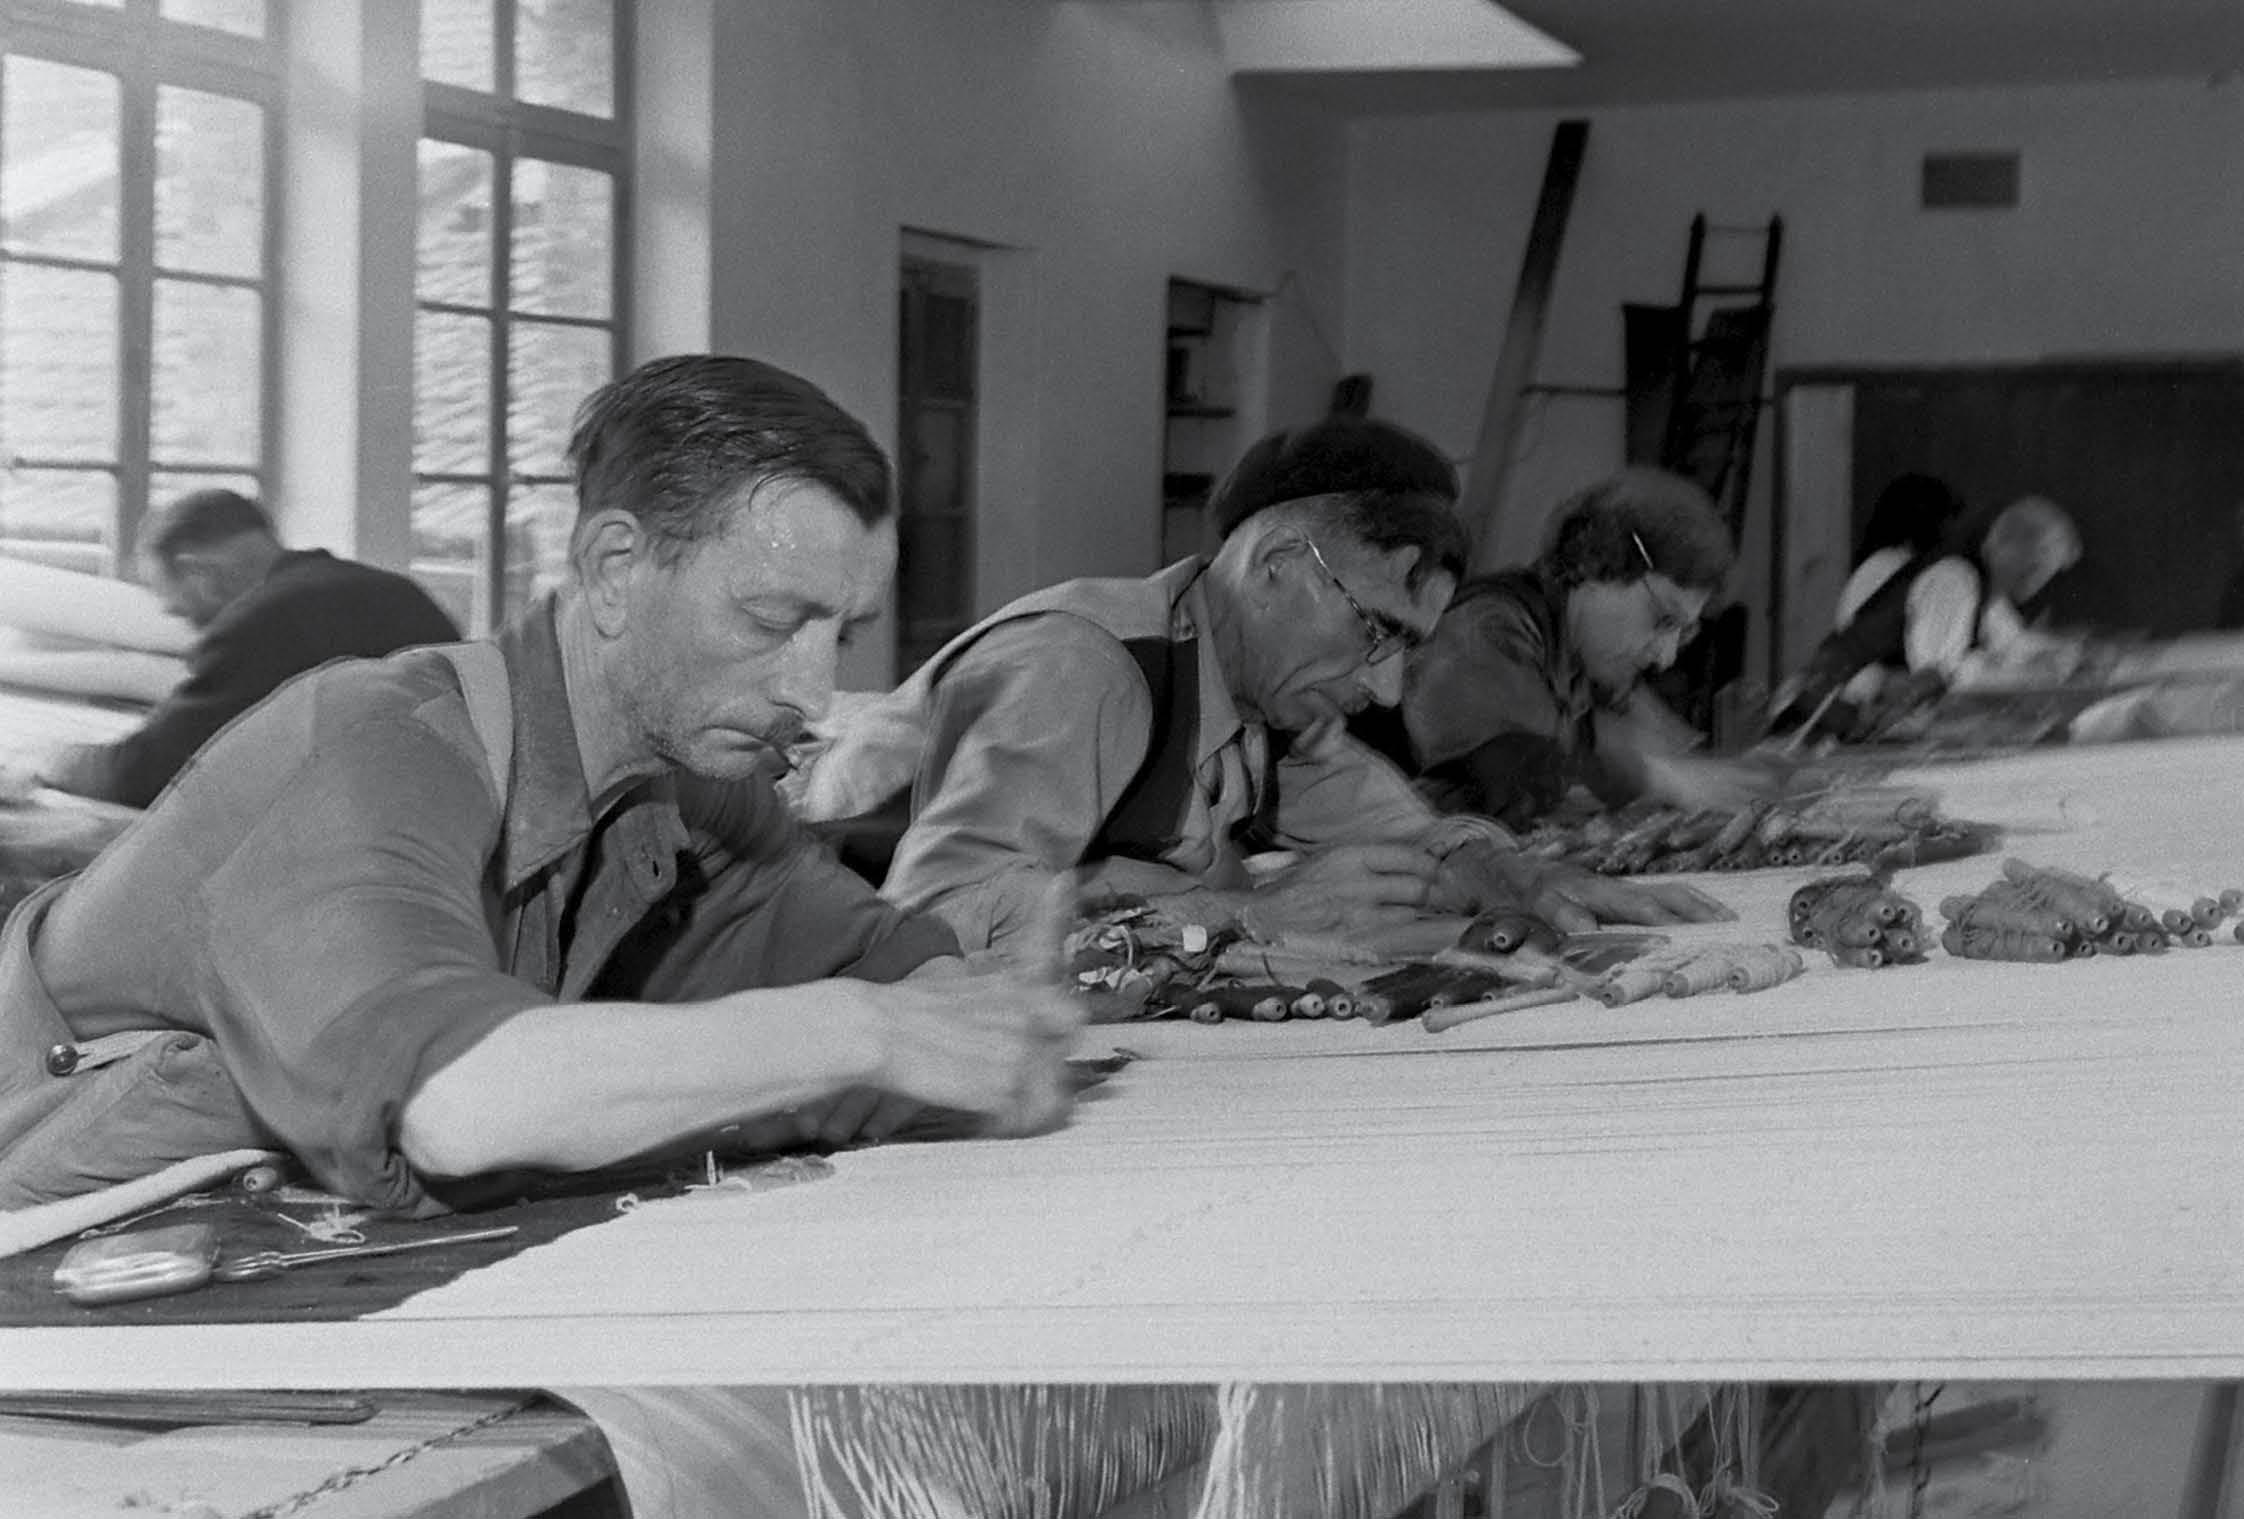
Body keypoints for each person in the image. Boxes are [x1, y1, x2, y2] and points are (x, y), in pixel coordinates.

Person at [0, 354, 1082, 1216]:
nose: (814, 689)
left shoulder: (686, 798)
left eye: (838, 633)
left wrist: (976, 983)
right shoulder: (366, 749)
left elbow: (897, 982)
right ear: (615, 570)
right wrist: (868, 1031)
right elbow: (458, 1104)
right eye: (769, 620)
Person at [802, 419, 1728, 955]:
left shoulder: (1274, 710)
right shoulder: (1084, 668)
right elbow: (930, 926)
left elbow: (1415, 834)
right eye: (1377, 631)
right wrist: (1243, 915)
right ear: (1280, 563)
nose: (1389, 682)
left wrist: (1511, 871)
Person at [1354, 467, 1772, 831]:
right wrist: (1659, 778)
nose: (1666, 657)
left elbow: (1658, 743)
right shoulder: (1486, 627)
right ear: (1595, 567)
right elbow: (1517, 767)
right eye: (1662, 620)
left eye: (1683, 633)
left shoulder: (1583, 653)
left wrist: (1742, 771)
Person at [40, 489, 463, 808]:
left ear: (200, 573)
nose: (174, 613)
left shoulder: (263, 622)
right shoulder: (396, 592)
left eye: (174, 600)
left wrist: (50, 758)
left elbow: (144, 776)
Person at [1773, 493, 2085, 741]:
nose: (2040, 581)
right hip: (1824, 722)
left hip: (1862, 717)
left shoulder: (1983, 585)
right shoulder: (1954, 580)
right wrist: (2026, 676)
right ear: (2024, 562)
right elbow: (1936, 674)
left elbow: (2008, 641)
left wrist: (2060, 656)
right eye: (2043, 569)